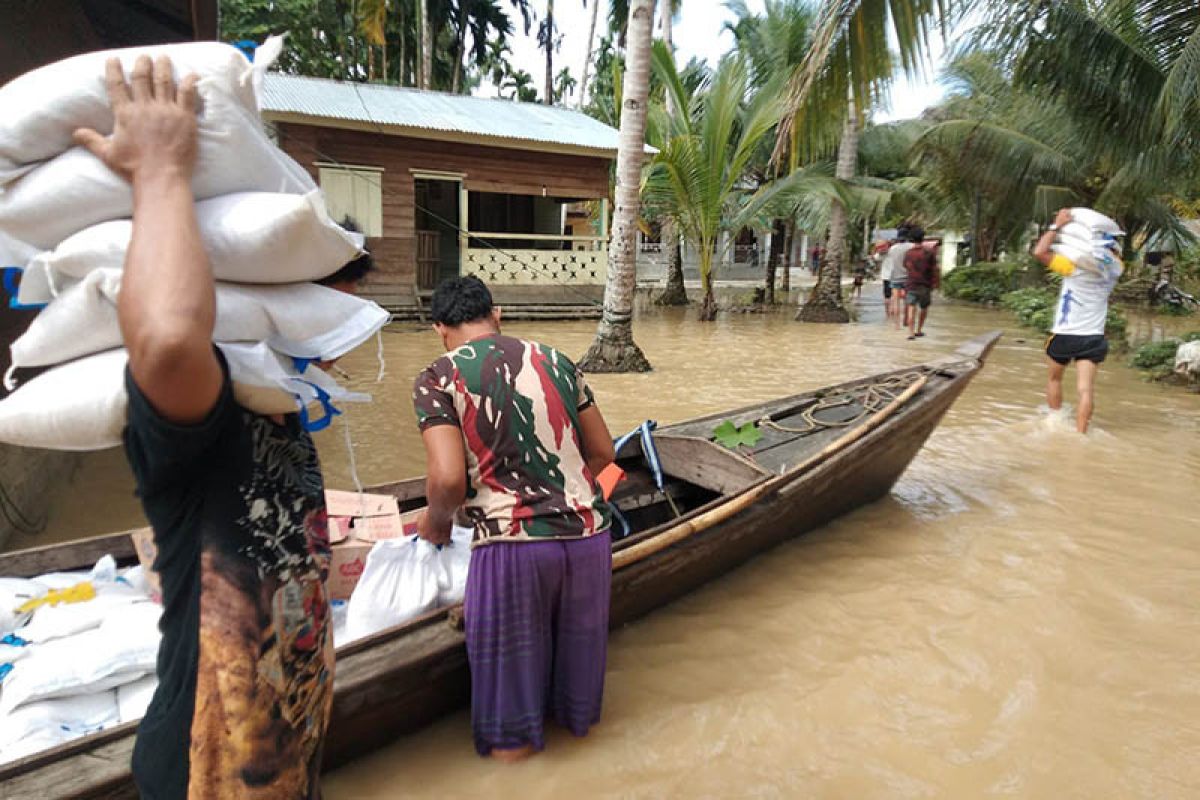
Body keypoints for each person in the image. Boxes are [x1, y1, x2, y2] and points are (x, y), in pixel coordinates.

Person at [73, 55, 364, 797]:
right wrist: (161, 170)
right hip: (203, 774)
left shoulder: (281, 410)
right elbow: (169, 339)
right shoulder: (207, 417)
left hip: (280, 761)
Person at [411, 276, 616, 762]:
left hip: (512, 550)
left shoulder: (438, 376)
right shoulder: (559, 361)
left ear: (441, 328)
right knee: (575, 715)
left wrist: (438, 524)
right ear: (496, 314)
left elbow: (446, 481)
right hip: (589, 539)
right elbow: (604, 453)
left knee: (511, 734)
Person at [1032, 208, 1123, 433]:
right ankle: (1081, 434)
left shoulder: (1073, 268)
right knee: (1086, 390)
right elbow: (1110, 255)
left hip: (1065, 334)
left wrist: (1058, 225)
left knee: (1054, 380)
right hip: (1093, 337)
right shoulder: (1115, 271)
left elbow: (1040, 252)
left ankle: (1055, 422)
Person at [904, 238, 940, 339]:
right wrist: (936, 283)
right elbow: (935, 269)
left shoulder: (908, 253)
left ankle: (910, 332)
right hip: (925, 285)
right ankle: (919, 330)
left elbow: (906, 266)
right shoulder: (929, 253)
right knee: (924, 308)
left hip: (911, 284)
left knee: (911, 307)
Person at [881, 229, 916, 325]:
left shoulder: (892, 248)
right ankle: (906, 321)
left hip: (895, 277)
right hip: (908, 277)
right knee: (907, 300)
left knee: (895, 301)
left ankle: (896, 325)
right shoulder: (912, 246)